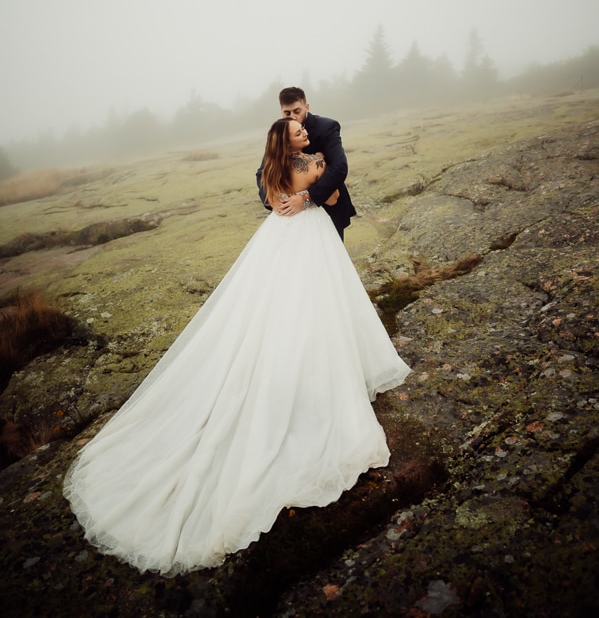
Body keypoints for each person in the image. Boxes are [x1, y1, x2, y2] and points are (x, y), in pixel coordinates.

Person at [63, 118, 410, 576]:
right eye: (296, 131)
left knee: (270, 311)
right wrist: (320, 177)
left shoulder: (271, 169)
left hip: (275, 241)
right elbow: (330, 195)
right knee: (313, 307)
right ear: (288, 142)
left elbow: (272, 201)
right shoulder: (313, 163)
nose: (304, 130)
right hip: (309, 241)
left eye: (302, 127)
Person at [256, 86, 356, 239]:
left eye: (297, 111)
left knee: (330, 258)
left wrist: (307, 199)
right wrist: (271, 200)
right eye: (287, 113)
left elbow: (339, 167)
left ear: (306, 107)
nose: (293, 116)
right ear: (281, 111)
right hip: (290, 217)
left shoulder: (326, 127)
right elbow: (263, 172)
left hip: (327, 207)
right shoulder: (280, 133)